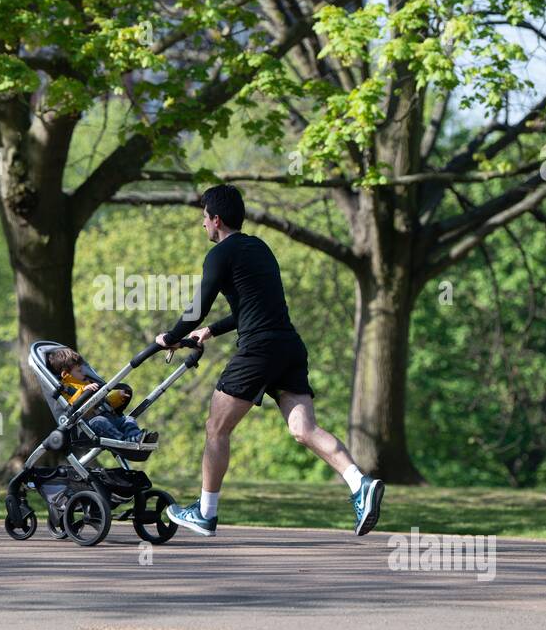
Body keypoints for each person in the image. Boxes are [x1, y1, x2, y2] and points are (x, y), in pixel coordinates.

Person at [154, 184, 383, 537]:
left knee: (216, 428)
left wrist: (169, 336)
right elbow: (252, 309)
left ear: (216, 219)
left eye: (203, 218)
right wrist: (210, 332)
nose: (202, 225)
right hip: (288, 346)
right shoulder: (260, 248)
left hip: (258, 351)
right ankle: (359, 483)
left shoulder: (219, 254)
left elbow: (197, 306)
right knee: (303, 430)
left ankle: (205, 512)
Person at [46, 346, 157, 444]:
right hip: (90, 426)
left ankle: (136, 437)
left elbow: (103, 403)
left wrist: (118, 397)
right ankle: (124, 442)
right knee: (100, 421)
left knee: (129, 420)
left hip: (110, 418)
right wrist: (83, 391)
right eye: (79, 371)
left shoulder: (87, 383)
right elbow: (73, 405)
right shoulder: (66, 389)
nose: (84, 373)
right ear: (65, 374)